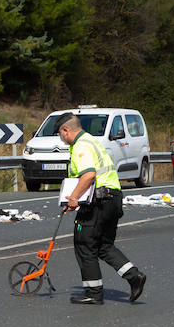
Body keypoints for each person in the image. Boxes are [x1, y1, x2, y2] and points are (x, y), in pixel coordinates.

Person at [58, 115, 147, 305]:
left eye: (60, 134)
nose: (61, 138)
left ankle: (93, 293)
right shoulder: (92, 141)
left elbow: (88, 175)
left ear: (66, 130)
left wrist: (74, 198)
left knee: (84, 244)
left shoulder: (81, 146)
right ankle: (134, 277)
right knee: (104, 246)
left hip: (98, 202)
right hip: (112, 198)